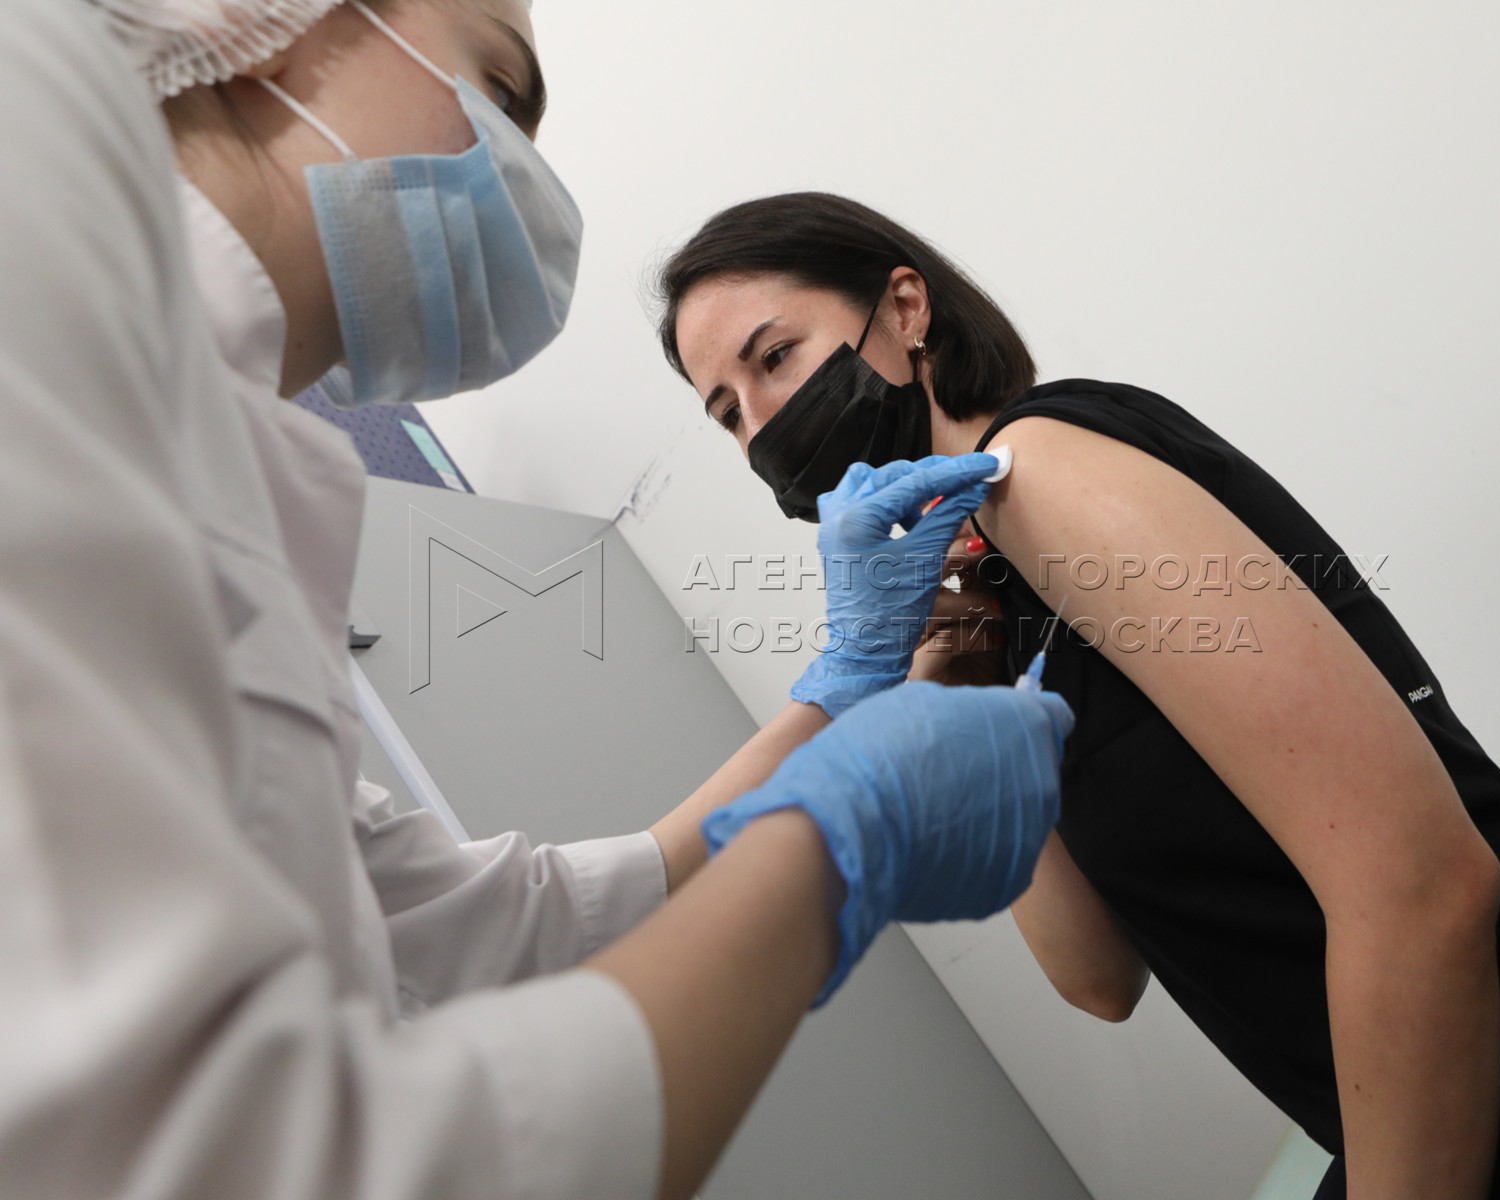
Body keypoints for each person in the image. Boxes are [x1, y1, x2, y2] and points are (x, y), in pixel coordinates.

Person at [0, 5, 1075, 1200]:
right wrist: (837, 843)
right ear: (263, 28)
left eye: (774, 357)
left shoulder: (205, 469)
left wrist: (842, 692)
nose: (517, 174)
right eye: (499, 88)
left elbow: (519, 922)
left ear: (907, 308)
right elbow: (248, 1156)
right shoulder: (52, 386)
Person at [655, 190, 1500, 1200]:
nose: (764, 424)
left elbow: (1423, 886)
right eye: (726, 413)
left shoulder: (1041, 475)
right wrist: (942, 698)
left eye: (775, 358)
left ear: (905, 309)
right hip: (1476, 1127)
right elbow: (1098, 978)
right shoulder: (990, 596)